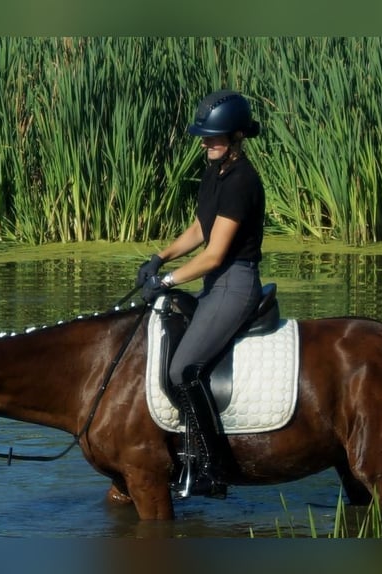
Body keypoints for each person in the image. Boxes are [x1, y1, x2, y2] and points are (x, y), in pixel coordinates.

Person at [135, 89, 265, 499]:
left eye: (215, 136)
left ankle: (215, 467)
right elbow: (198, 230)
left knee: (183, 369)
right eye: (205, 136)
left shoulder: (242, 180)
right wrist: (158, 257)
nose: (206, 142)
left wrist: (169, 281)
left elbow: (214, 255)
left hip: (236, 282)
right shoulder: (215, 172)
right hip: (215, 283)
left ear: (237, 136)